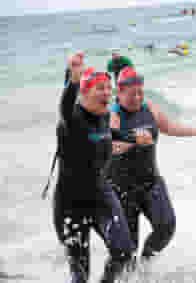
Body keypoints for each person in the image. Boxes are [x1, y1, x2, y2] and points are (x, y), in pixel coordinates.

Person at [105, 67, 196, 262]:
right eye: (132, 94)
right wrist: (134, 142)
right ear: (119, 93)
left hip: (150, 183)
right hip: (122, 190)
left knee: (166, 227)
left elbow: (170, 127)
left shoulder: (149, 108)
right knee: (127, 251)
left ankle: (145, 264)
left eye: (140, 92)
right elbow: (110, 146)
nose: (138, 98)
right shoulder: (113, 115)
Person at [52, 53, 136, 283]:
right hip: (70, 203)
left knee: (124, 253)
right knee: (80, 274)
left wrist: (134, 137)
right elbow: (65, 106)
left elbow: (109, 134)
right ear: (85, 92)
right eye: (100, 88)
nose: (107, 93)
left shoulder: (105, 115)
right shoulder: (72, 117)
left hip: (101, 196)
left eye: (109, 89)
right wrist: (74, 79)